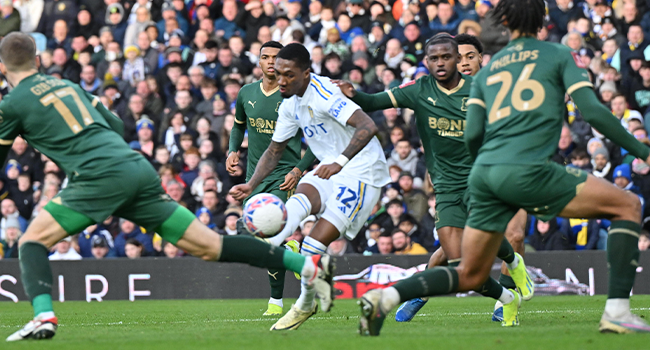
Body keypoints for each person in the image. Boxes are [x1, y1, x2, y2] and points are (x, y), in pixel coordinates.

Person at [0, 32, 334, 342]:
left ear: (3, 67)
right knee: (211, 246)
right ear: (39, 61)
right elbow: (117, 125)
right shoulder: (69, 87)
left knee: (31, 242)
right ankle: (305, 265)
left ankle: (44, 316)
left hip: (96, 176)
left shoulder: (11, 105)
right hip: (136, 169)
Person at [357, 0, 650, 336]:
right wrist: (642, 150)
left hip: (485, 175)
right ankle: (616, 311)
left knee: (468, 271)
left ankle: (388, 295)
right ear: (542, 18)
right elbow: (595, 114)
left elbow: (473, 136)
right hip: (529, 169)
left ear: (503, 21)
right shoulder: (555, 54)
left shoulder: (489, 74)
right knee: (628, 205)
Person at [334, 33, 530, 324]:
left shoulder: (485, 89)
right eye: (435, 58)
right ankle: (506, 293)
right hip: (445, 183)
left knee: (500, 235)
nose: (445, 63)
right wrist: (353, 93)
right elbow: (373, 102)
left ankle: (512, 267)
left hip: (483, 178)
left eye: (451, 57)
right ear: (426, 61)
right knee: (455, 261)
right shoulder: (420, 89)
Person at [230, 43, 390, 331]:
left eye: (288, 75)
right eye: (278, 74)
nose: (281, 80)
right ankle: (274, 243)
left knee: (313, 244)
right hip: (330, 168)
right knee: (295, 205)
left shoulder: (326, 94)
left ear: (306, 73)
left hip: (362, 172)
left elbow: (368, 125)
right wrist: (250, 184)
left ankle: (305, 303)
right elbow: (274, 150)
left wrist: (340, 162)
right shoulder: (290, 102)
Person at [226, 41, 317, 317]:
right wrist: (232, 150)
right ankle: (292, 254)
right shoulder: (246, 93)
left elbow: (316, 139)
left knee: (269, 235)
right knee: (260, 240)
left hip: (283, 177)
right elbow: (238, 126)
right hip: (255, 176)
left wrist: (298, 169)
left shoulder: (294, 95)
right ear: (259, 61)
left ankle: (275, 303)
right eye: (264, 57)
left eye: (274, 58)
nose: (269, 62)